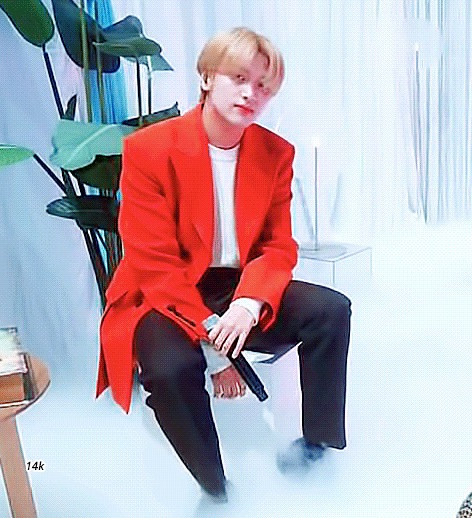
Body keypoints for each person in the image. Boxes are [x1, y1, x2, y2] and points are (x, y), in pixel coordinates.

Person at [96, 27, 351, 502]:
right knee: (169, 370)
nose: (252, 93)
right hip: (164, 294)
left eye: (264, 86)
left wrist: (249, 304)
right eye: (239, 78)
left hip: (238, 286)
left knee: (330, 310)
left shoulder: (275, 153)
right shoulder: (149, 149)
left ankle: (316, 445)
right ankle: (214, 488)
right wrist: (218, 353)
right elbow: (155, 265)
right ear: (207, 77)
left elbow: (277, 247)